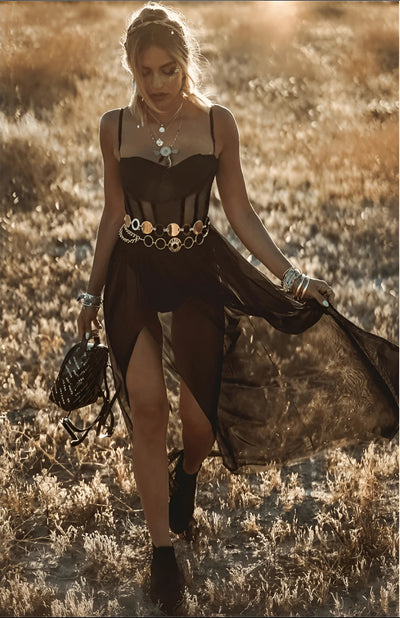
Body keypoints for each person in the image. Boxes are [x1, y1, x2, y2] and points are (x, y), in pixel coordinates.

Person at [76, 2, 398, 614]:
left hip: (198, 269)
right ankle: (162, 556)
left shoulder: (218, 123)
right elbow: (112, 213)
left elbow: (241, 213)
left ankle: (187, 475)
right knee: (147, 409)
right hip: (133, 274)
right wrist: (90, 296)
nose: (158, 84)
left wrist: (293, 277)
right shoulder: (113, 127)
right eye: (145, 73)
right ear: (131, 70)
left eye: (168, 70)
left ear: (185, 63)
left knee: (198, 427)